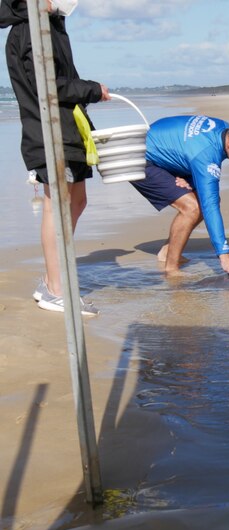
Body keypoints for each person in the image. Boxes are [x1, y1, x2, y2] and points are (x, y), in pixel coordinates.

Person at [1, 0, 109, 316]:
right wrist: (91, 89)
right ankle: (55, 290)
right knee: (57, 203)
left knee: (77, 201)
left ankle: (50, 277)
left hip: (67, 127)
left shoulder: (53, 23)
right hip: (46, 130)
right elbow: (47, 87)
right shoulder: (30, 29)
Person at [130, 115, 229, 276]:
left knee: (202, 199)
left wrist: (189, 179)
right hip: (137, 159)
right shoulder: (207, 155)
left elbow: (189, 149)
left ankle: (167, 251)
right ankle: (171, 269)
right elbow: (210, 204)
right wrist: (225, 255)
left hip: (162, 150)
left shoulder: (225, 127)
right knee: (192, 208)